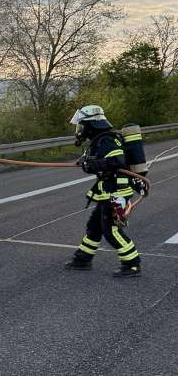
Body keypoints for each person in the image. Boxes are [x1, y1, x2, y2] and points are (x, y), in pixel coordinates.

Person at [65, 105, 141, 277]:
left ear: (91, 125)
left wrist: (94, 165)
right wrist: (88, 163)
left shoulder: (105, 140)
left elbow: (118, 160)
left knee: (111, 230)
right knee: (94, 226)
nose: (80, 129)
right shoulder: (101, 140)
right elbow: (102, 162)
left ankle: (132, 264)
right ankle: (82, 259)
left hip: (116, 192)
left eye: (81, 125)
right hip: (108, 191)